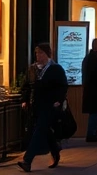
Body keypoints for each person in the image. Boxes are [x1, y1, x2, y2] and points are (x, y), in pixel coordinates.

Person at [17, 43, 67, 172]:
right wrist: (25, 100)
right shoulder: (33, 69)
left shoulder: (55, 68)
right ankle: (55, 150)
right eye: (36, 53)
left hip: (49, 105)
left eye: (41, 53)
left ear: (47, 54)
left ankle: (27, 161)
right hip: (36, 105)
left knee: (39, 131)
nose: (38, 56)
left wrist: (58, 101)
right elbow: (27, 85)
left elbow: (62, 86)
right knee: (45, 130)